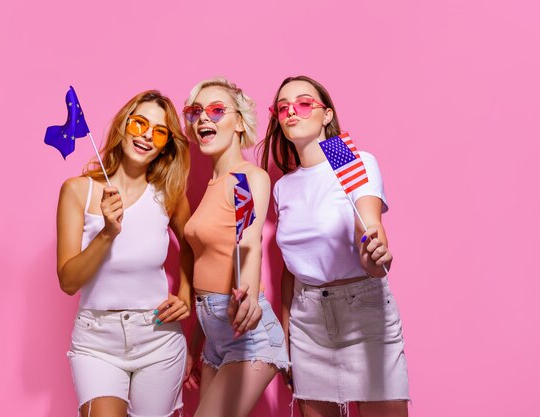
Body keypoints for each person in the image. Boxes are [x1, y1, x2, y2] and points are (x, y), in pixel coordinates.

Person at [260, 75, 410, 417]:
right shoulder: (283, 186)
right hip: (307, 321)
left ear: (327, 114)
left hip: (364, 312)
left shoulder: (351, 161)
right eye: (282, 107)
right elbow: (289, 270)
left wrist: (375, 254)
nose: (291, 112)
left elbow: (369, 227)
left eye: (303, 103)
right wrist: (285, 338)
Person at [56, 90, 193, 417]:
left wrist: (186, 293)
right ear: (123, 126)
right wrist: (107, 232)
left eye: (159, 131)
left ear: (165, 145)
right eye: (139, 124)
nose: (147, 135)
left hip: (158, 338)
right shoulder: (78, 190)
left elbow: (190, 246)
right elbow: (68, 281)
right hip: (97, 342)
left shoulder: (168, 195)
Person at [181, 77, 289, 417]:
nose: (203, 119)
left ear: (239, 122)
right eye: (195, 111)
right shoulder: (212, 185)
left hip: (249, 331)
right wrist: (196, 345)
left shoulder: (248, 178)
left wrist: (249, 291)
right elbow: (210, 270)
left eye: (216, 110)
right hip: (214, 338)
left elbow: (249, 239)